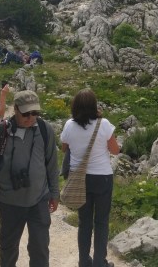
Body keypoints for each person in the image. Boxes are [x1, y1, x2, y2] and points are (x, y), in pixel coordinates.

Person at [0, 90, 59, 267]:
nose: (31, 118)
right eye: (25, 113)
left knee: (40, 249)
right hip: (10, 203)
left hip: (39, 201)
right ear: (15, 109)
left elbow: (52, 165)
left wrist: (54, 193)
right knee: (8, 249)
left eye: (35, 113)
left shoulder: (45, 130)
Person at [60, 89, 119, 267]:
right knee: (101, 222)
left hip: (80, 180)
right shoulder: (104, 124)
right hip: (102, 178)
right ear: (94, 106)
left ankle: (84, 261)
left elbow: (64, 148)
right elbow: (115, 150)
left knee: (84, 222)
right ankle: (100, 263)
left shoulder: (69, 125)